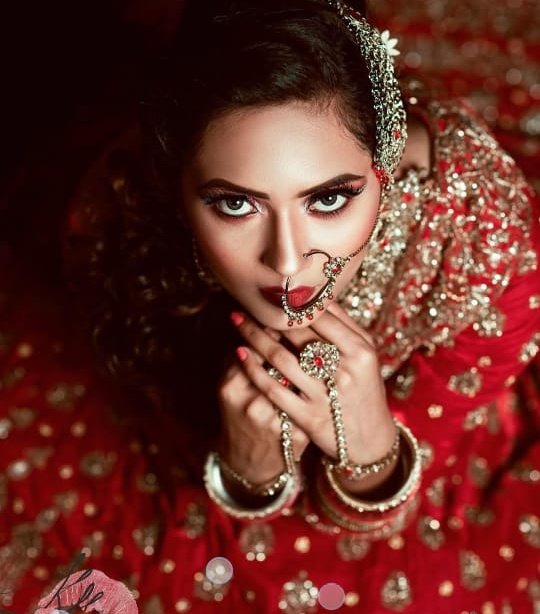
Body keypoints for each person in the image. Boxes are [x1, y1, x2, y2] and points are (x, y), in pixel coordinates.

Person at [1, 0, 539, 612]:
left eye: (329, 199)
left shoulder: (483, 239)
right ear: (177, 191)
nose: (286, 262)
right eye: (235, 205)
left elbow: (415, 470)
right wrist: (245, 473)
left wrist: (374, 459)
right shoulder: (115, 227)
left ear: (385, 164)